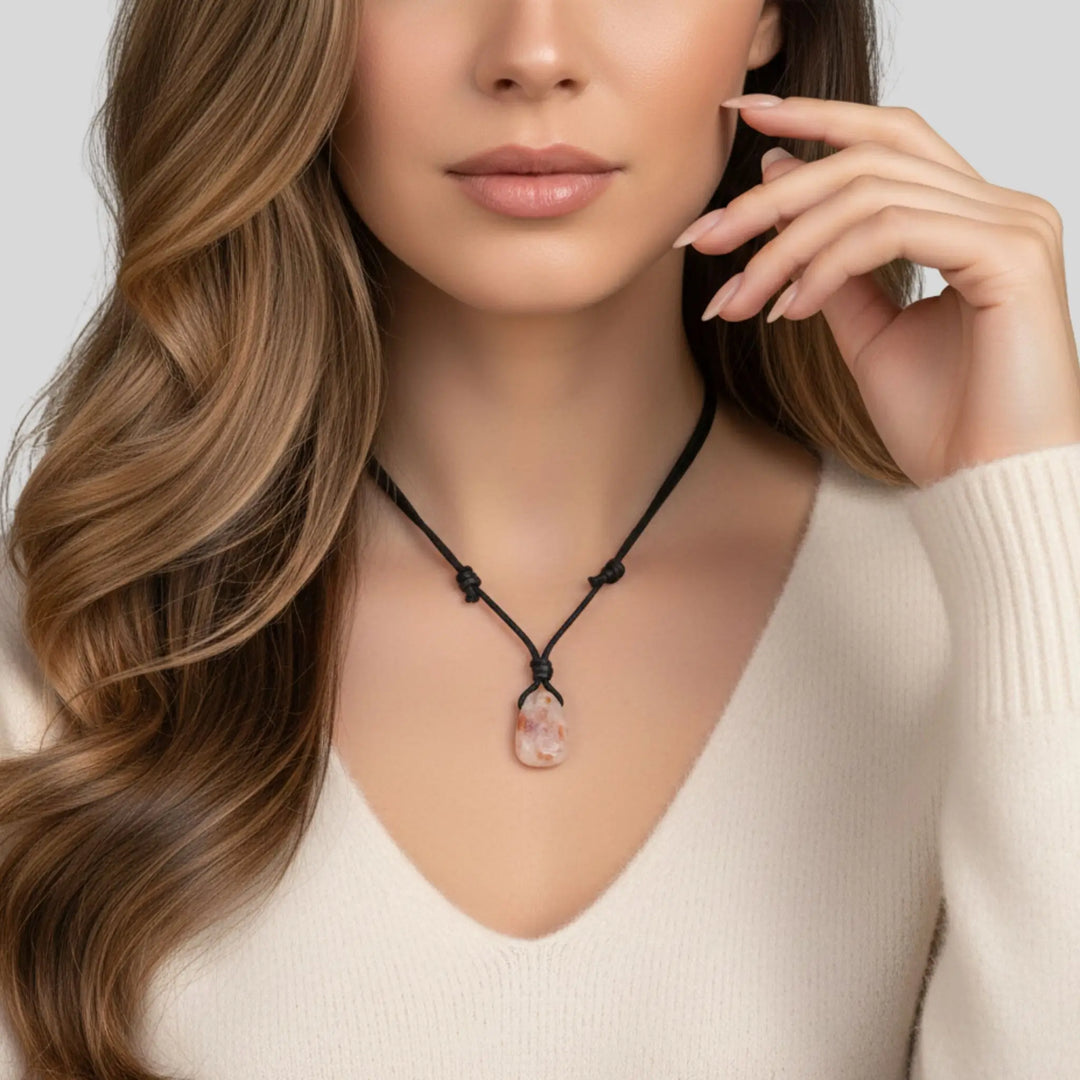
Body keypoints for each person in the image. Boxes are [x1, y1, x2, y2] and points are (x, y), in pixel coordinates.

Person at [1, 0, 1078, 1076]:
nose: (535, 55)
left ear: (769, 18)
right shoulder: (62, 654)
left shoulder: (996, 629)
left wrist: (1029, 509)